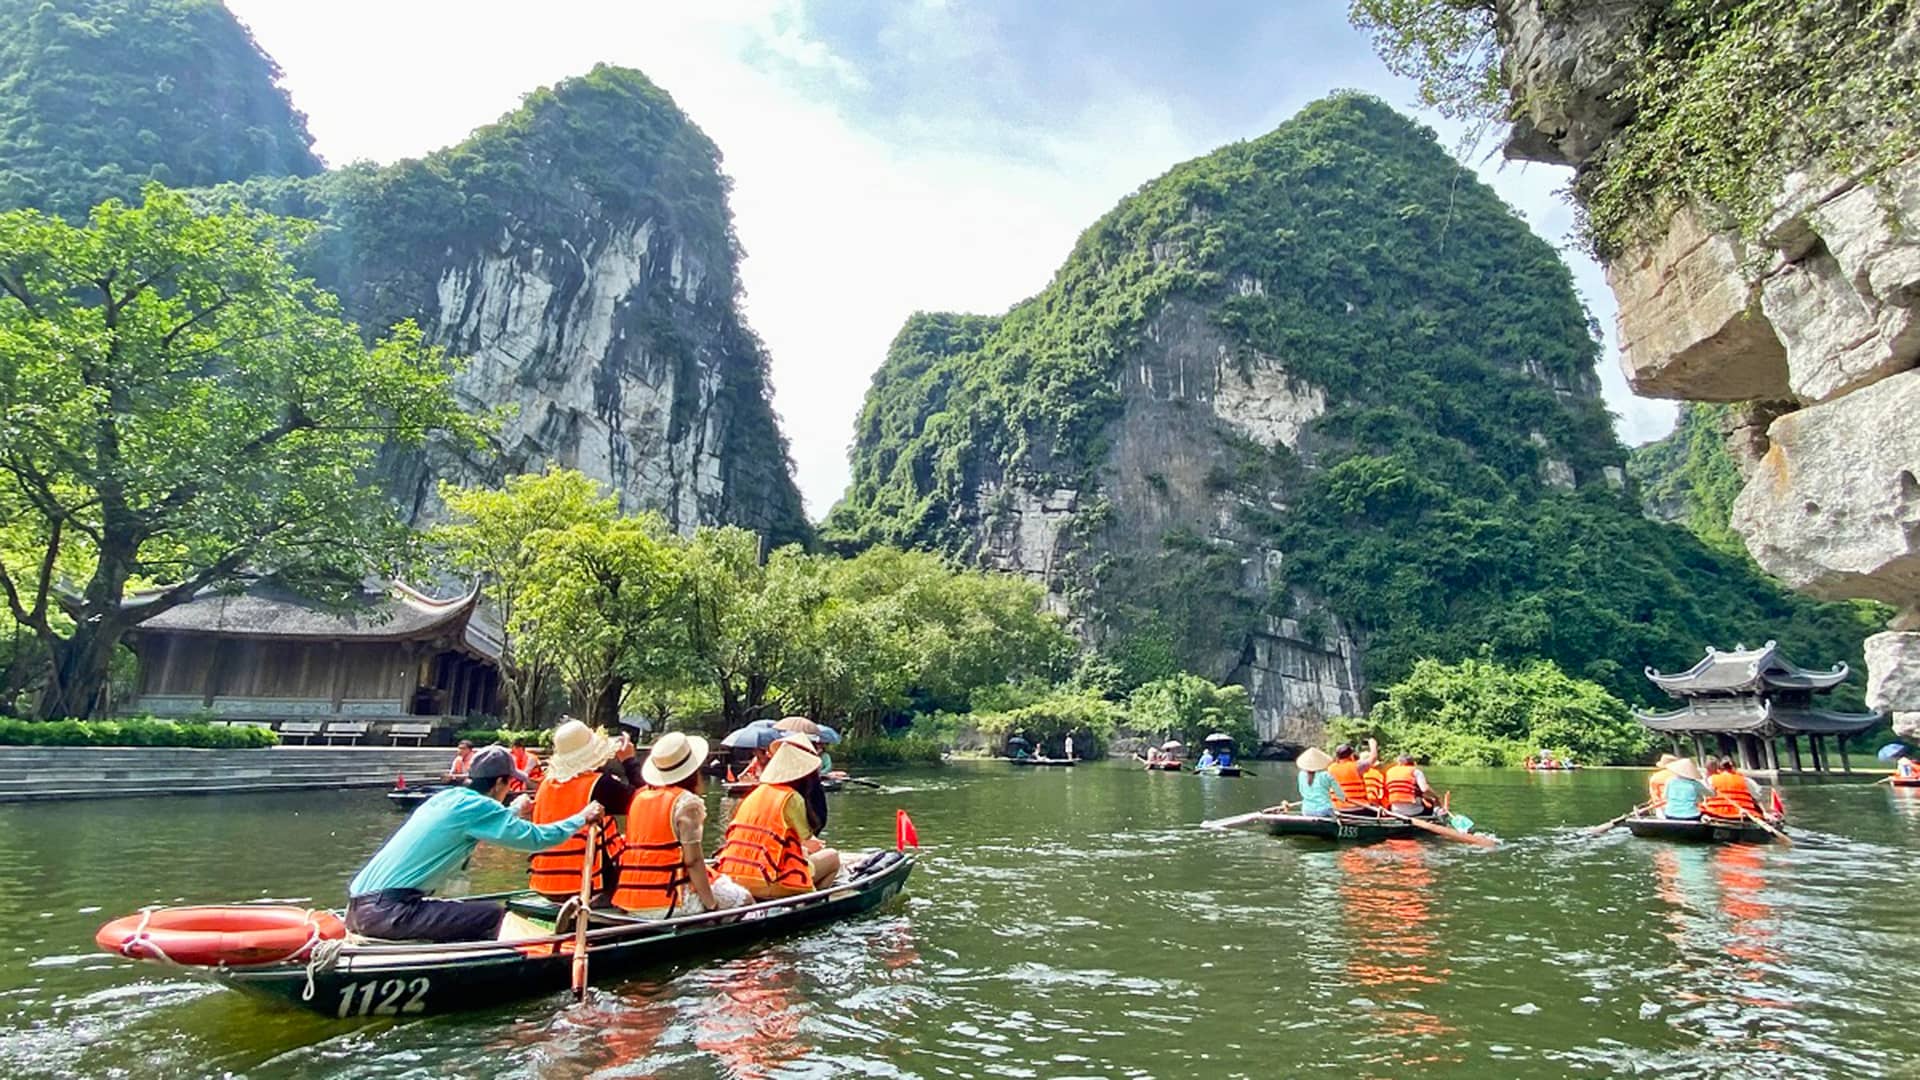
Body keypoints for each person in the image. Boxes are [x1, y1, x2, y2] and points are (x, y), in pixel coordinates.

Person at [347, 746, 604, 942]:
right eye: (509, 782)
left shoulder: (448, 798)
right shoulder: (480, 808)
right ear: (500, 782)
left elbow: (479, 822)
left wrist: (514, 809)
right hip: (390, 912)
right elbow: (537, 839)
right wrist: (582, 817)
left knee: (468, 912)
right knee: (492, 915)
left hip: (357, 909)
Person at [613, 732, 751, 918]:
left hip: (631, 900)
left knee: (720, 882)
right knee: (745, 899)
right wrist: (711, 905)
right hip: (670, 901)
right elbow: (693, 861)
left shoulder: (639, 797)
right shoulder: (686, 802)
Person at [527, 719, 641, 902]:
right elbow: (646, 802)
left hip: (545, 885)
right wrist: (629, 761)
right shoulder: (600, 784)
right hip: (589, 887)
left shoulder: (546, 784)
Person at [714, 739, 841, 899]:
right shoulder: (791, 797)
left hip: (733, 879)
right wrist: (811, 847)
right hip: (770, 881)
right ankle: (813, 902)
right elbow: (806, 840)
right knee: (833, 857)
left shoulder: (755, 793)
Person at [1327, 740, 1379, 813]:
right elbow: (1373, 758)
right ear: (1351, 756)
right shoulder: (1357, 766)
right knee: (1376, 810)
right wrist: (1373, 744)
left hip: (1338, 809)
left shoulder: (1330, 769)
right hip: (1358, 808)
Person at [1295, 747, 1338, 817]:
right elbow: (1337, 792)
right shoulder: (1325, 775)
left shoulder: (1301, 774)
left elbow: (1301, 791)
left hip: (1306, 810)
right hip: (1324, 810)